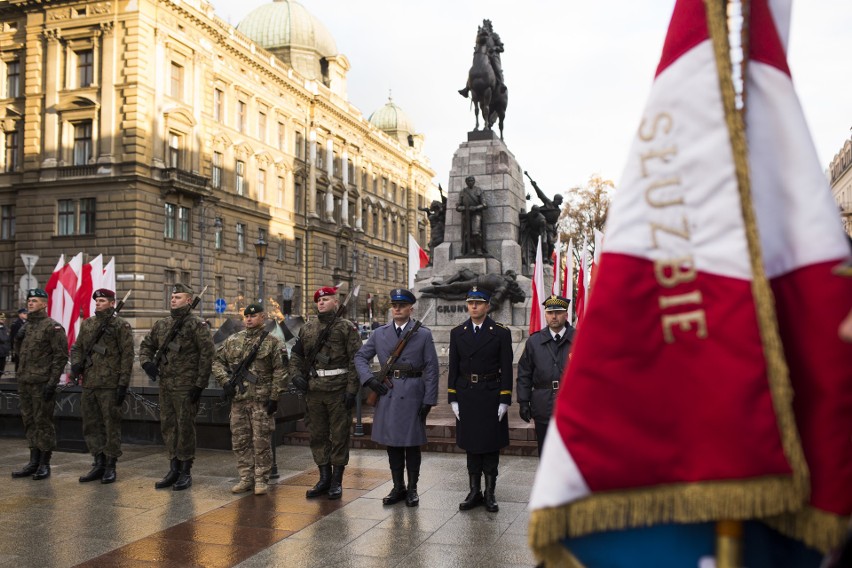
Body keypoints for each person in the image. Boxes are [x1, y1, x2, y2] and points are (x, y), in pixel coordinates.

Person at [354, 289, 439, 507]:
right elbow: (360, 357)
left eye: (402, 305)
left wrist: (429, 400)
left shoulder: (422, 334)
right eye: (394, 305)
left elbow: (431, 368)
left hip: (412, 393)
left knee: (411, 444)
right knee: (392, 444)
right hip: (387, 392)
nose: (397, 309)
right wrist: (369, 380)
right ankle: (397, 486)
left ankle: (412, 489)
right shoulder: (380, 333)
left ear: (411, 308)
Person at [289, 286, 362, 500]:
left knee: (339, 436)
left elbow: (356, 359)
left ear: (336, 302)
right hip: (314, 391)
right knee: (318, 435)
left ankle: (337, 482)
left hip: (338, 390)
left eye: (326, 299)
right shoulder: (307, 328)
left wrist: (351, 389)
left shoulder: (346, 327)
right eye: (319, 300)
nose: (321, 303)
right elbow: (296, 356)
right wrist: (295, 376)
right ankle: (323, 479)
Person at [139, 283, 214, 491]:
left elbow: (207, 355)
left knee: (185, 428)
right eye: (172, 296)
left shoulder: (196, 325)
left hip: (186, 386)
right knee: (169, 426)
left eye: (178, 297)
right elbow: (146, 345)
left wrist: (199, 384)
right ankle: (173, 467)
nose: (173, 299)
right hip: (166, 384)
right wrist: (147, 363)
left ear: (189, 300)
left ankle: (185, 470)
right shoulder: (162, 324)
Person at [448, 286, 513, 512]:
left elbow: (506, 367)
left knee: (490, 445)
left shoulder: (501, 332)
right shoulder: (458, 333)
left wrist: (505, 399)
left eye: (478, 302)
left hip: (491, 393)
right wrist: (453, 398)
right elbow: (453, 368)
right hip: (467, 393)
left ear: (487, 306)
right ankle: (474, 491)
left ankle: (490, 492)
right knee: (471, 445)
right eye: (470, 302)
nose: (473, 306)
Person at [213, 303, 287, 496]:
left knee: (261, 441)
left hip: (260, 400)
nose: (249, 319)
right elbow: (216, 361)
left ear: (263, 317)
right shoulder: (233, 340)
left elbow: (281, 370)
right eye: (246, 316)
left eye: (253, 316)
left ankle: (261, 479)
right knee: (240, 441)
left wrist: (275, 397)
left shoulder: (272, 342)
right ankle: (246, 477)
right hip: (238, 400)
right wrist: (225, 381)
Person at [69, 289, 134, 484]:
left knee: (110, 426)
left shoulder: (120, 325)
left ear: (112, 303)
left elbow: (127, 355)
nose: (97, 303)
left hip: (110, 384)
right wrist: (76, 365)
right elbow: (77, 347)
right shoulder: (88, 323)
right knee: (91, 425)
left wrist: (123, 383)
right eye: (96, 300)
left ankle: (110, 465)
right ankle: (98, 462)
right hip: (89, 382)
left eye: (102, 300)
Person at [10, 289, 68, 480]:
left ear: (44, 304)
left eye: (34, 300)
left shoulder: (53, 327)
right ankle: (33, 461)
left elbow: (60, 357)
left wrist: (52, 383)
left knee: (43, 423)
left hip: (42, 383)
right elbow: (18, 352)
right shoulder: (26, 327)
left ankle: (44, 463)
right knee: (29, 422)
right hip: (25, 382)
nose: (30, 303)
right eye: (29, 300)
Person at [516, 295, 575, 455]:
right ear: (545, 315)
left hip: (571, 407)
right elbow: (524, 374)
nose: (554, 316)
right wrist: (523, 401)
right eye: (550, 312)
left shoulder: (579, 340)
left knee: (569, 455)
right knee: (546, 452)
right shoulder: (534, 342)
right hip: (543, 405)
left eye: (558, 312)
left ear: (566, 315)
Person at [457, 175, 487, 256]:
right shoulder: (463, 192)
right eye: (469, 181)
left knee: (476, 232)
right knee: (467, 233)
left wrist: (476, 207)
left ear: (474, 181)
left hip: (476, 213)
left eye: (472, 180)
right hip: (466, 214)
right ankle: (470, 249)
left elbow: (484, 204)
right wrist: (464, 208)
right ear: (466, 182)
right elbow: (458, 206)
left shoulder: (479, 190)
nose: (470, 182)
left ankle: (478, 249)